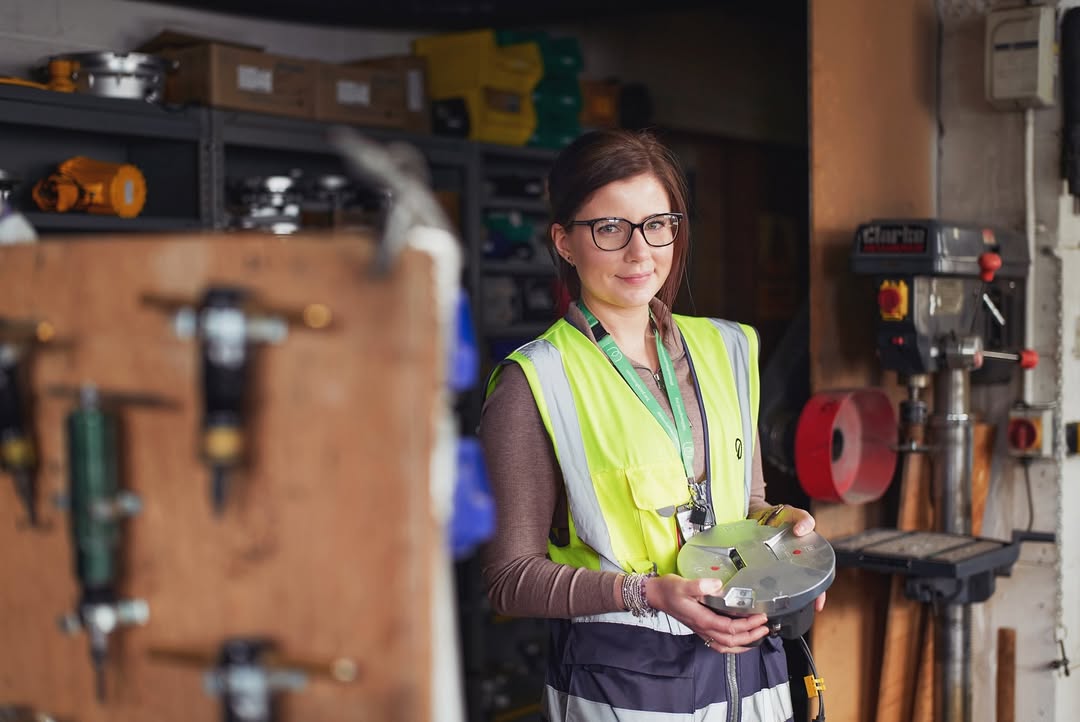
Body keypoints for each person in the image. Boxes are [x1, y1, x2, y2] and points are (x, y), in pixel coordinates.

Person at [478, 129, 825, 721]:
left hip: (753, 681)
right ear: (564, 241)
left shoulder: (726, 348)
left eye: (657, 224)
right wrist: (646, 593)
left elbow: (747, 503)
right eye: (609, 229)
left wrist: (783, 534)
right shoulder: (536, 381)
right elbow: (508, 579)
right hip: (625, 692)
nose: (641, 253)